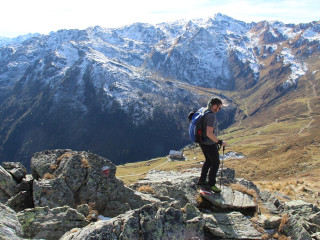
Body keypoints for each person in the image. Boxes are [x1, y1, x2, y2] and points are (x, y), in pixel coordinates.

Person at [197, 97, 227, 192]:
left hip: (202, 141)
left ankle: (202, 180)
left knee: (208, 161)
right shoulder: (211, 116)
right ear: (214, 105)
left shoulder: (204, 111)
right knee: (215, 162)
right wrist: (219, 142)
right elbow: (209, 133)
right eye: (219, 107)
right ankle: (211, 184)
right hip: (209, 143)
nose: (219, 110)